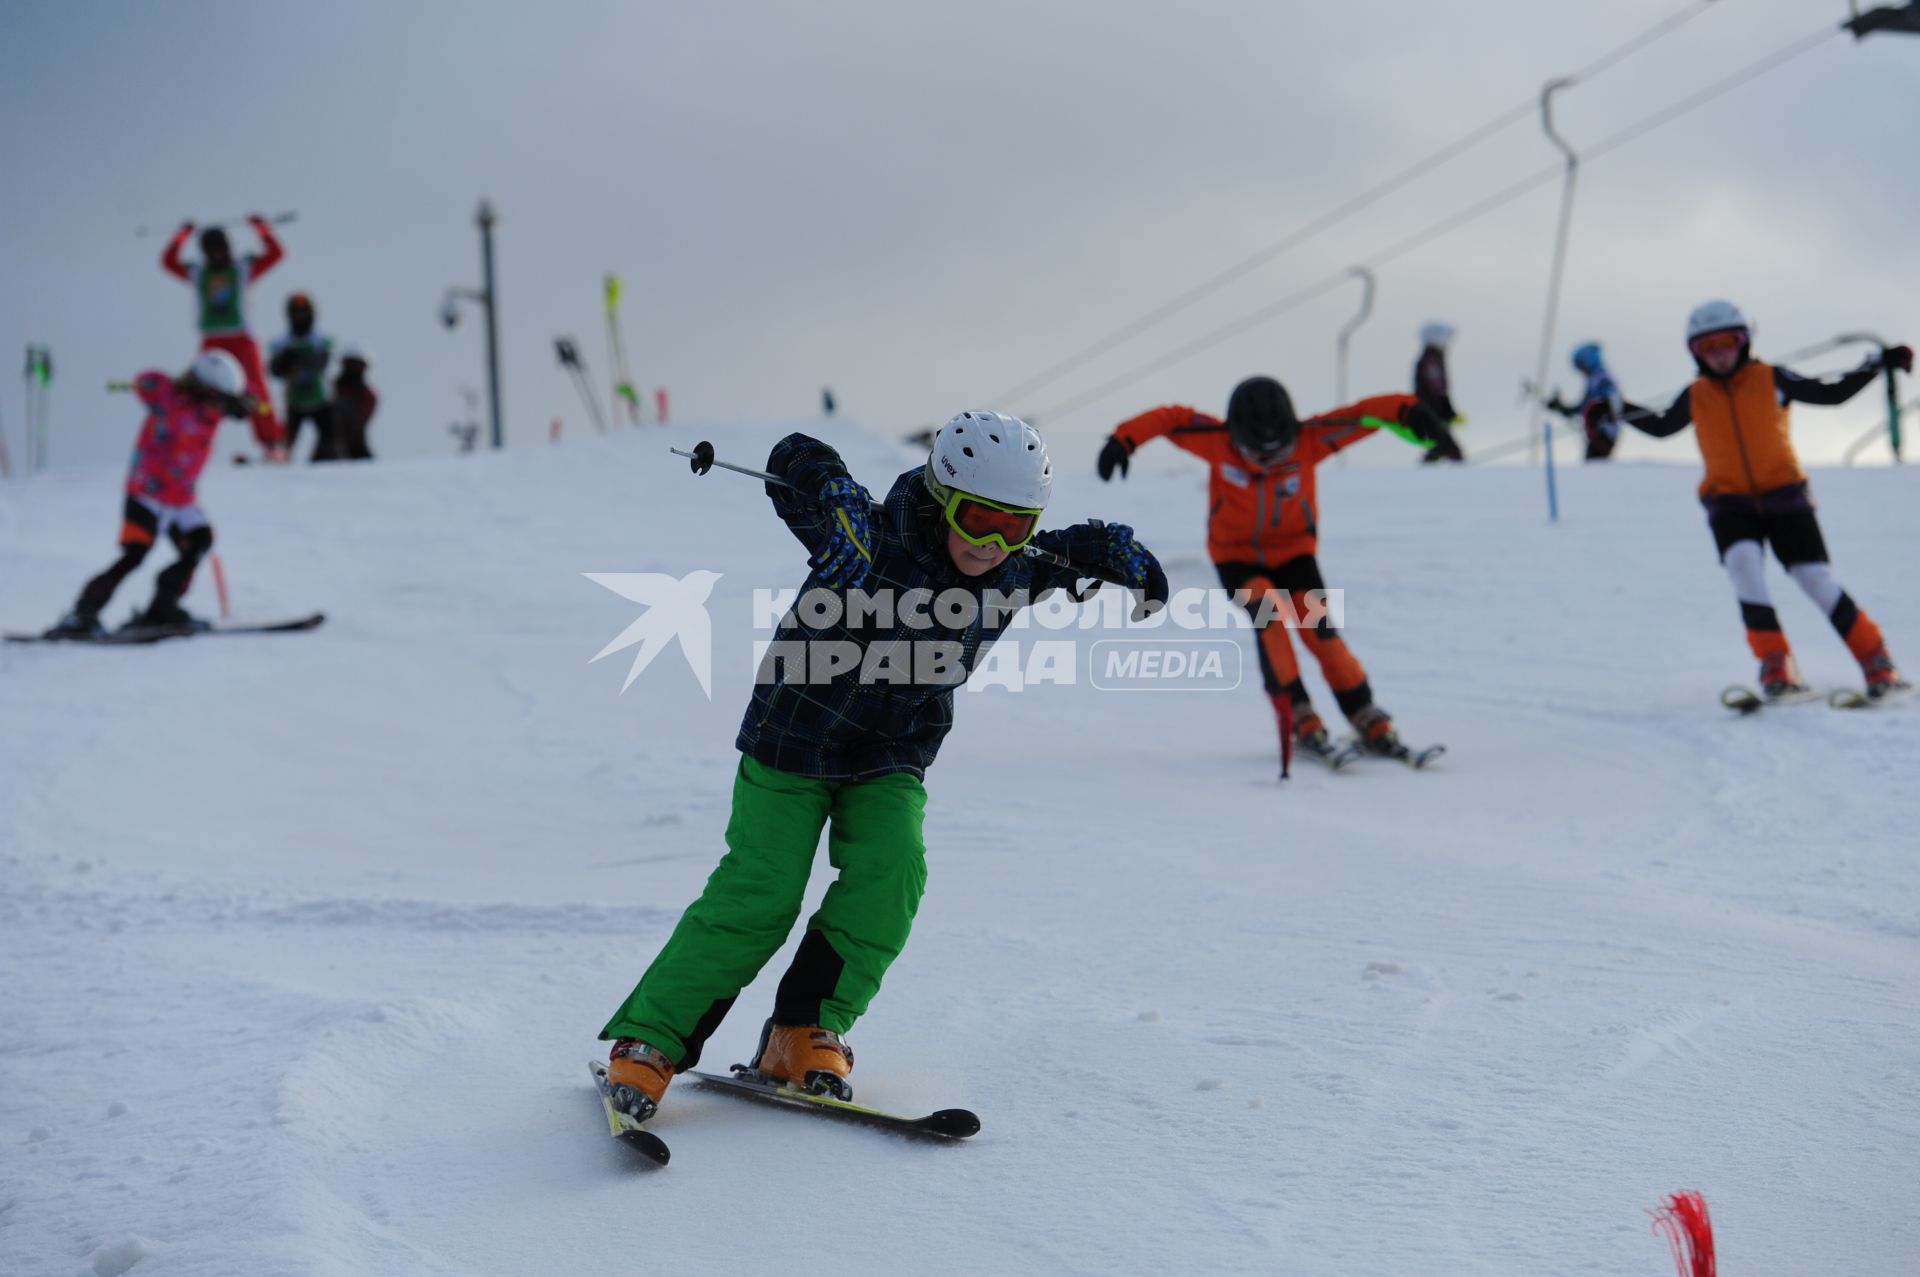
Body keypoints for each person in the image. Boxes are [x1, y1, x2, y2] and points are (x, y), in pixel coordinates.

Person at [598, 412, 1168, 1120]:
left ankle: (801, 1029)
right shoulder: (869, 533)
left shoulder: (1013, 567)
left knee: (894, 871)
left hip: (891, 755)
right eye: (979, 518)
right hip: (795, 742)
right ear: (939, 493)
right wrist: (833, 496)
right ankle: (650, 1038)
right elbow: (795, 455)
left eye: (1014, 526)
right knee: (761, 893)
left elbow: (1069, 551)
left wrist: (1117, 552)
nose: (993, 544)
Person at [1097, 376, 1447, 767]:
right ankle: (1299, 712)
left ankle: (1363, 710)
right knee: (1270, 618)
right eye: (1254, 453)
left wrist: (1413, 411)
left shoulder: (1312, 438)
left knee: (1320, 631)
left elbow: (1364, 414)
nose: (1267, 462)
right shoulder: (1216, 440)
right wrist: (1122, 440)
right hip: (1236, 558)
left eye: (1279, 453)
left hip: (1295, 553)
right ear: (1235, 436)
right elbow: (1170, 418)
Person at [1623, 300, 1911, 699]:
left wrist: (1877, 364)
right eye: (1708, 347)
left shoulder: (1772, 378)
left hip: (1785, 496)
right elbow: (1658, 426)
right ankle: (1775, 663)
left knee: (1814, 578)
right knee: (1744, 565)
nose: (1720, 354)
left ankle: (1876, 659)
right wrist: (1615, 408)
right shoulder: (1696, 395)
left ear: (1745, 341)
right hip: (1729, 502)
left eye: (1728, 342)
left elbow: (1831, 394)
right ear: (1695, 353)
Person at [45, 351, 256, 637]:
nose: (219, 403)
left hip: (181, 499)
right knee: (135, 554)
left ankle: (161, 608)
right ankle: (83, 613)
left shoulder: (212, 414)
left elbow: (254, 404)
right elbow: (144, 382)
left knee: (199, 541)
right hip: (146, 491)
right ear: (202, 386)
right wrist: (173, 386)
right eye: (216, 395)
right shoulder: (169, 398)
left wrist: (243, 402)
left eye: (223, 399)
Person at [161, 216, 287, 459]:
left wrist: (261, 229)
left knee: (255, 390)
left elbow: (276, 254)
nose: (217, 255)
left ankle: (272, 442)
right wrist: (181, 235)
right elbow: (168, 262)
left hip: (241, 338)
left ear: (229, 248)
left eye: (221, 249)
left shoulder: (242, 269)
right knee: (201, 390)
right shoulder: (198, 273)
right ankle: (192, 439)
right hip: (212, 340)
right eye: (212, 250)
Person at [268, 293, 336, 462]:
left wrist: (298, 360)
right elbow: (275, 371)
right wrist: (284, 362)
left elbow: (323, 364)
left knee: (332, 442)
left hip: (321, 401)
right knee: (285, 443)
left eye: (304, 312)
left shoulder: (321, 341)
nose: (300, 316)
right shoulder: (281, 343)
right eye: (296, 312)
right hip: (294, 402)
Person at [1548, 342, 1628, 461]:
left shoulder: (1601, 378)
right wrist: (1563, 408)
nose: (1581, 371)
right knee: (1591, 463)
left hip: (1604, 433)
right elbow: (1585, 405)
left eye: (1581, 366)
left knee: (1593, 465)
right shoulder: (1594, 378)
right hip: (1597, 433)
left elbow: (1606, 402)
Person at [1412, 321, 1466, 463]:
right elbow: (1437, 389)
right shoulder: (1431, 361)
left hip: (1429, 412)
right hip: (1431, 412)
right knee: (1451, 450)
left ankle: (1423, 475)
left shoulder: (1431, 359)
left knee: (1440, 447)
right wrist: (1447, 412)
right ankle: (1463, 480)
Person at [330, 347, 377, 460]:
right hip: (330, 443)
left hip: (356, 442)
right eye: (349, 364)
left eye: (357, 365)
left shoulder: (368, 395)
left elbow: (362, 418)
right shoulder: (331, 389)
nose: (353, 369)